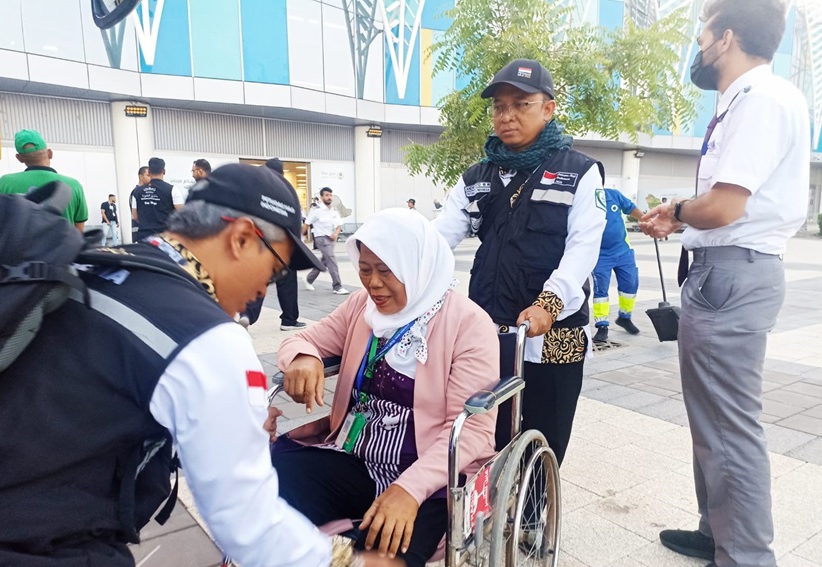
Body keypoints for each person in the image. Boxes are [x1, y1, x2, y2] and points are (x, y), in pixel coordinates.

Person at [0, 163, 409, 566]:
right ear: (241, 237)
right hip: (44, 547)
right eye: (275, 269)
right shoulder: (208, 339)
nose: (267, 287)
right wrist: (346, 560)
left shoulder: (102, 264)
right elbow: (247, 524)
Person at [639, 2, 809, 566]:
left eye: (702, 33)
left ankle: (746, 556)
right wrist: (683, 214)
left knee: (729, 426)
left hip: (734, 272)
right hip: (727, 272)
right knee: (712, 419)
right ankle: (718, 534)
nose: (699, 45)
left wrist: (678, 209)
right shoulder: (748, 101)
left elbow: (725, 206)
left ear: (726, 37)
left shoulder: (760, 100)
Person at [271, 209, 499, 567]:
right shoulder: (361, 307)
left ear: (415, 266)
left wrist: (409, 489)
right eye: (365, 270)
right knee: (268, 481)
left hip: (429, 474)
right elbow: (304, 340)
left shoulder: (468, 325)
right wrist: (303, 357)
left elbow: (471, 429)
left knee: (378, 557)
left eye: (385, 271)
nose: (373, 284)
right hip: (357, 455)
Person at [434, 58, 605, 466]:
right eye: (499, 107)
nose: (506, 116)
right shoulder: (477, 175)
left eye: (521, 104)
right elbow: (439, 236)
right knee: (485, 425)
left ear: (548, 109)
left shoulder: (578, 172)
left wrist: (551, 303)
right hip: (490, 325)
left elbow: (583, 247)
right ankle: (486, 508)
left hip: (553, 328)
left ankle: (533, 517)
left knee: (545, 432)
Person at [241, 158, 307, 331]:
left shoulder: (254, 188)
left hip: (260, 243)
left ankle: (246, 315)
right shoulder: (287, 189)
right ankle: (289, 320)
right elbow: (295, 218)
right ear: (282, 172)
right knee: (287, 282)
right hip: (283, 244)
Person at [0, 129, 88, 231]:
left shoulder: (5, 183)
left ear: (19, 158)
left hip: (21, 247)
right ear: (50, 153)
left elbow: (1, 223)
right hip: (65, 246)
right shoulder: (73, 185)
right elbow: (79, 231)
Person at [592, 188, 645, 343]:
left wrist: (645, 219)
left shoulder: (613, 194)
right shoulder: (584, 197)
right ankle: (602, 325)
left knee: (630, 285)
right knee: (600, 290)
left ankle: (624, 317)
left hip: (623, 250)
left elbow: (630, 208)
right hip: (600, 254)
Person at [304, 187, 350, 295]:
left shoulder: (333, 211)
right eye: (326, 195)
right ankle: (337, 286)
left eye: (330, 195)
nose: (329, 197)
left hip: (331, 239)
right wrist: (300, 239)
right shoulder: (316, 211)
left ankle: (309, 279)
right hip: (321, 238)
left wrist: (335, 234)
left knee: (324, 261)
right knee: (331, 260)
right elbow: (306, 224)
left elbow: (339, 226)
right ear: (321, 197)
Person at [130, 157, 184, 239]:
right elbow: (182, 214)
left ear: (149, 171)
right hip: (165, 238)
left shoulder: (137, 192)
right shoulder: (172, 190)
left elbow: (135, 216)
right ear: (164, 171)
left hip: (144, 238)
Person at [129, 166, 149, 242]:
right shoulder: (136, 193)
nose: (151, 178)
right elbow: (135, 215)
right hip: (139, 231)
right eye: (148, 175)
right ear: (141, 177)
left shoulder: (147, 191)